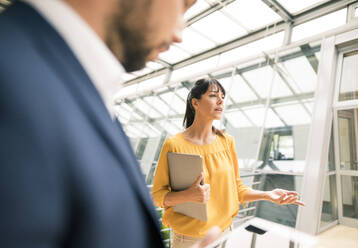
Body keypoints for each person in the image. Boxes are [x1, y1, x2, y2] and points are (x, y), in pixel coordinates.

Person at [0, 0, 220, 247]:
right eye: (183, 4)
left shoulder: (70, 82)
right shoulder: (12, 86)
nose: (179, 35)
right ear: (195, 103)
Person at [152, 78, 305, 248]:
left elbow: (237, 188)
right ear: (195, 103)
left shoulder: (226, 141)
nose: (220, 101)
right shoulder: (174, 145)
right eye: (213, 95)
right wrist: (187, 195)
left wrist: (267, 195)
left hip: (226, 233)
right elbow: (157, 196)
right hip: (190, 240)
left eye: (223, 97)